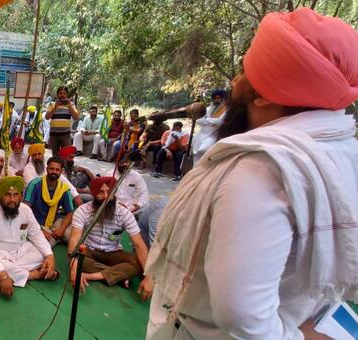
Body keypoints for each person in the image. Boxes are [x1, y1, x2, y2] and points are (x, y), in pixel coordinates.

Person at [146, 8, 358, 339]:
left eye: (244, 73)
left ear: (264, 94)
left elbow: (241, 314)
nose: (234, 83)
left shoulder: (260, 170)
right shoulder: (339, 154)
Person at [0, 176, 58, 297]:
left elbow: (36, 234)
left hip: (20, 250)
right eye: (7, 195)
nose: (12, 199)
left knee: (42, 254)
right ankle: (35, 274)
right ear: (0, 195)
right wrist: (2, 275)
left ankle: (9, 275)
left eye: (15, 195)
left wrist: (50, 256)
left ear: (20, 196)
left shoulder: (26, 210)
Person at [67, 177, 151, 295]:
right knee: (78, 261)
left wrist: (148, 276)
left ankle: (92, 276)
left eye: (109, 192)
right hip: (90, 250)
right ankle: (119, 274)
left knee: (138, 263)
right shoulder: (82, 211)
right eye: (101, 192)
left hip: (113, 251)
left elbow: (139, 244)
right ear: (94, 194)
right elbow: (75, 239)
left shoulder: (123, 213)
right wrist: (74, 270)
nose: (107, 197)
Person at [23, 157, 76, 246]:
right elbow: (24, 210)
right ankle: (54, 238)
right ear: (47, 169)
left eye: (57, 170)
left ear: (61, 171)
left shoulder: (64, 188)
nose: (54, 172)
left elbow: (70, 212)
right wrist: (40, 229)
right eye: (51, 169)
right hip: (35, 223)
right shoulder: (34, 184)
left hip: (54, 222)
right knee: (43, 245)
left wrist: (62, 228)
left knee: (75, 238)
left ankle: (57, 237)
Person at [192, 89, 227, 164]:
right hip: (200, 135)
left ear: (224, 99)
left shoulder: (227, 110)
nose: (217, 100)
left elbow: (220, 122)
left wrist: (206, 120)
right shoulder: (207, 109)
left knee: (204, 151)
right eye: (215, 98)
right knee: (196, 155)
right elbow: (198, 120)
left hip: (213, 136)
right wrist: (212, 121)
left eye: (220, 98)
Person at [45, 86, 79, 156]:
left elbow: (76, 117)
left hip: (65, 134)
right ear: (57, 95)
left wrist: (69, 106)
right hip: (54, 134)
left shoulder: (71, 104)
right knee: (55, 155)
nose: (62, 95)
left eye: (64, 93)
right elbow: (47, 117)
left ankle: (66, 167)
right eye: (60, 93)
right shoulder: (51, 104)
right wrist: (55, 108)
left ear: (67, 95)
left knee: (66, 154)